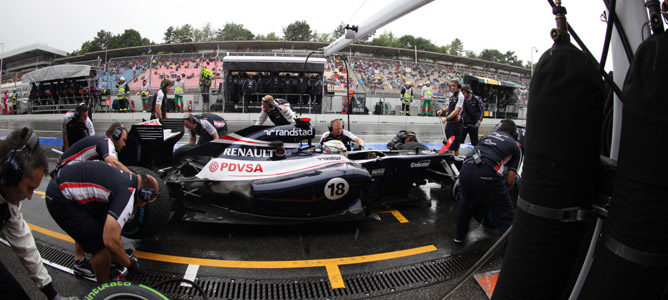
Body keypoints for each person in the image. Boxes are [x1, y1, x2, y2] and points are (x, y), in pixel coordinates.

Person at [45, 160, 157, 283]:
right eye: (146, 202)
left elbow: (107, 222)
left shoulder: (128, 178)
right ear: (144, 195)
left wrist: (117, 255)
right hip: (60, 196)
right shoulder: (128, 195)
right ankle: (103, 289)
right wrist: (129, 264)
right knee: (101, 246)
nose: (143, 206)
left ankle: (106, 265)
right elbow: (110, 240)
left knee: (101, 226)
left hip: (64, 182)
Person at [0, 128, 64, 300]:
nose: (29, 197)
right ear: (9, 176)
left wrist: (53, 294)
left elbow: (25, 244)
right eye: (29, 188)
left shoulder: (8, 202)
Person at [454, 119, 521, 246]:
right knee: (506, 214)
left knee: (465, 204)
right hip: (487, 172)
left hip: (466, 169)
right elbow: (510, 181)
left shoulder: (486, 136)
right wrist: (501, 194)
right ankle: (507, 253)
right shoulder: (515, 146)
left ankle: (458, 239)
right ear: (514, 134)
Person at [437, 80, 465, 155]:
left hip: (456, 124)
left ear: (458, 86)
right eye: (451, 86)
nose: (452, 88)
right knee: (449, 145)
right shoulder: (452, 95)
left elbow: (456, 111)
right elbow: (449, 107)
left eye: (454, 86)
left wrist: (446, 118)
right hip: (450, 123)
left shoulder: (461, 96)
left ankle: (455, 161)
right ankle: (450, 160)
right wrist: (442, 111)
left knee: (454, 147)